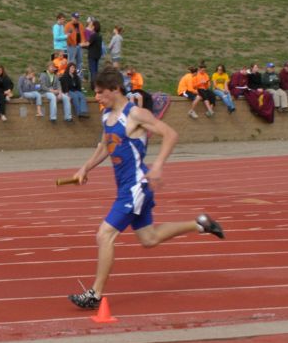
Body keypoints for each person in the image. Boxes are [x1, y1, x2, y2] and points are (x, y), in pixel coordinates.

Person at [67, 67, 224, 310]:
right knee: (149, 239)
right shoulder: (107, 116)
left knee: (104, 234)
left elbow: (170, 134)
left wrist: (158, 165)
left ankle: (95, 294)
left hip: (137, 186)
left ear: (115, 89)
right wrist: (85, 168)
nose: (96, 97)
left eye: (100, 93)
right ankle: (200, 224)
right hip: (126, 188)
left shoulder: (135, 114)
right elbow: (104, 146)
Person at [64, 12, 87, 78]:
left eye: (77, 18)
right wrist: (71, 43)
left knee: (80, 62)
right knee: (71, 61)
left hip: (79, 46)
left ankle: (79, 76)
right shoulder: (68, 25)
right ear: (72, 18)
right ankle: (69, 75)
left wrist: (82, 42)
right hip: (71, 46)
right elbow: (67, 36)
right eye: (75, 18)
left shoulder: (80, 25)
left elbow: (83, 35)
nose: (76, 19)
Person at [85, 19, 103, 90]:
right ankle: (96, 85)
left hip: (92, 55)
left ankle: (94, 86)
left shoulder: (93, 35)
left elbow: (88, 44)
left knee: (92, 71)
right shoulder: (99, 36)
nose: (91, 27)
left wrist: (80, 44)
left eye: (92, 26)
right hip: (97, 55)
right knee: (95, 70)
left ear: (94, 27)